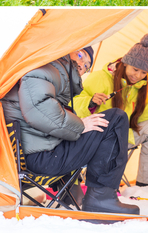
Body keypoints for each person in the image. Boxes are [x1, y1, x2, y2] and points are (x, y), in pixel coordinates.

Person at [0, 47, 139, 214]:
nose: (82, 64)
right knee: (115, 119)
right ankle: (101, 197)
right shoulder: (45, 67)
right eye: (80, 55)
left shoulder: (56, 75)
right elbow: (38, 108)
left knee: (108, 122)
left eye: (87, 65)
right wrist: (80, 125)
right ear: (67, 49)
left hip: (43, 154)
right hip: (40, 158)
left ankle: (98, 196)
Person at [74, 33, 148, 187]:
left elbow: (137, 118)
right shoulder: (100, 78)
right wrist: (89, 102)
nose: (138, 76)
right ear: (125, 63)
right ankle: (100, 187)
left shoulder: (137, 87)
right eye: (135, 69)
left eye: (144, 73)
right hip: (99, 137)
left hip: (122, 136)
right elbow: (74, 103)